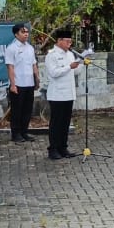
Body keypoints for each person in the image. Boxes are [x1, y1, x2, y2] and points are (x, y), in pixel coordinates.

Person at [43, 29, 82, 160]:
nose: (69, 44)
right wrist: (69, 67)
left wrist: (81, 63)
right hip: (57, 94)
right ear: (59, 41)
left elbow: (75, 72)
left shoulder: (70, 54)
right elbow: (54, 73)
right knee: (56, 123)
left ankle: (63, 147)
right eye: (67, 41)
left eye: (71, 41)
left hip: (69, 94)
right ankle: (53, 149)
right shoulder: (51, 55)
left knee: (65, 122)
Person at [4, 24, 38, 144]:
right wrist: (13, 85)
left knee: (27, 110)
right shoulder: (11, 48)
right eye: (23, 32)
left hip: (29, 83)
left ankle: (24, 131)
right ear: (16, 34)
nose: (26, 34)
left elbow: (34, 64)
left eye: (27, 32)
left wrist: (37, 79)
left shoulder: (30, 48)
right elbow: (10, 67)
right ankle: (16, 134)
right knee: (17, 111)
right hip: (18, 84)